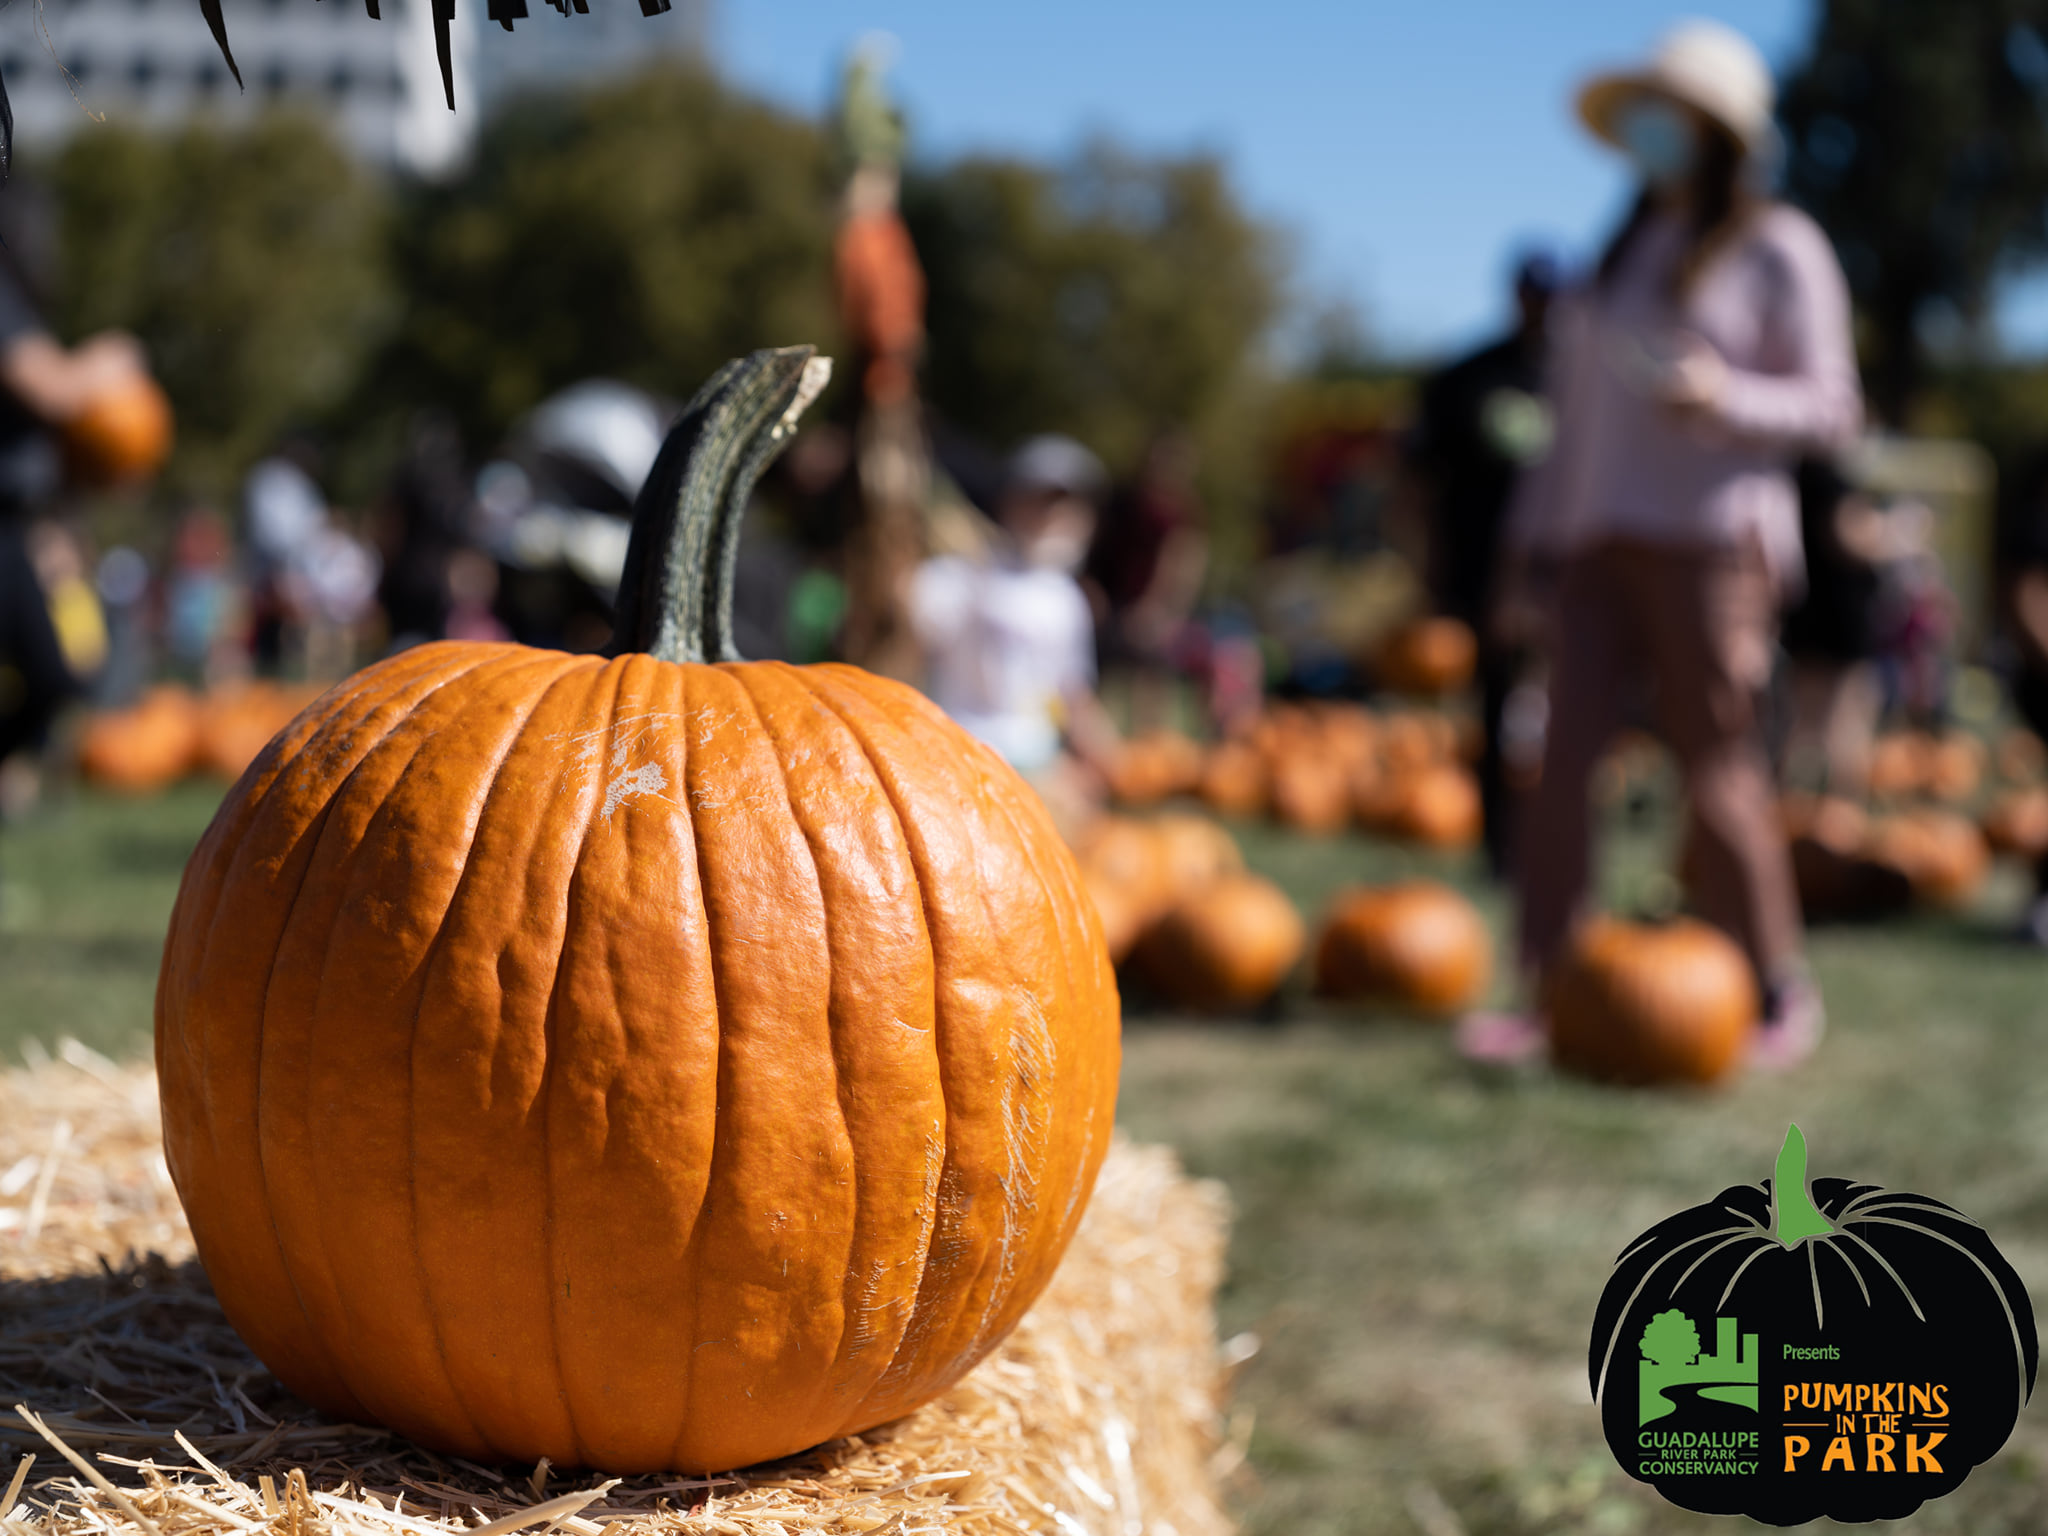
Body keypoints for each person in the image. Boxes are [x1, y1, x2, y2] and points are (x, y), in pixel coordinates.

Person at [1463, 20, 1862, 1070]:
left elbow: (1832, 406)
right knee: (1557, 766)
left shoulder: (1778, 247)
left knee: (1716, 767)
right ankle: (1550, 990)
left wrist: (1719, 394)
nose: (1652, 129)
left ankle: (1775, 985)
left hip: (1708, 546)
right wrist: (1525, 554)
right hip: (1590, 547)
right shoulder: (1615, 256)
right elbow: (1566, 436)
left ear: (1718, 131)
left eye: (1673, 112)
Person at [1405, 249, 1561, 876]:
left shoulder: (1579, 381)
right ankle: (1501, 844)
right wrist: (1425, 561)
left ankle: (1554, 837)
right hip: (1478, 565)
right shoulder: (1468, 376)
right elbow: (1417, 478)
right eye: (1532, 292)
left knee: (1564, 706)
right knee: (1497, 704)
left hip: (1564, 568)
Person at [909, 435, 1121, 836]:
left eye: (1066, 506)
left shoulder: (1068, 599)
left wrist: (1105, 756)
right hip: (962, 751)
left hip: (1037, 760)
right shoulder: (962, 576)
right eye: (1041, 501)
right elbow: (907, 637)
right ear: (1011, 501)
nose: (1052, 517)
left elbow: (1066, 692)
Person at [1086, 428, 1209, 733]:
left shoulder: (1180, 512)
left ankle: (1152, 756)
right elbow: (1099, 547)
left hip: (1153, 608)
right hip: (1112, 602)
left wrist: (1162, 608)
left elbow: (1183, 561)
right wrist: (1092, 588)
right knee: (1100, 680)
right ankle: (1101, 749)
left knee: (1151, 683)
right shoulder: (1123, 502)